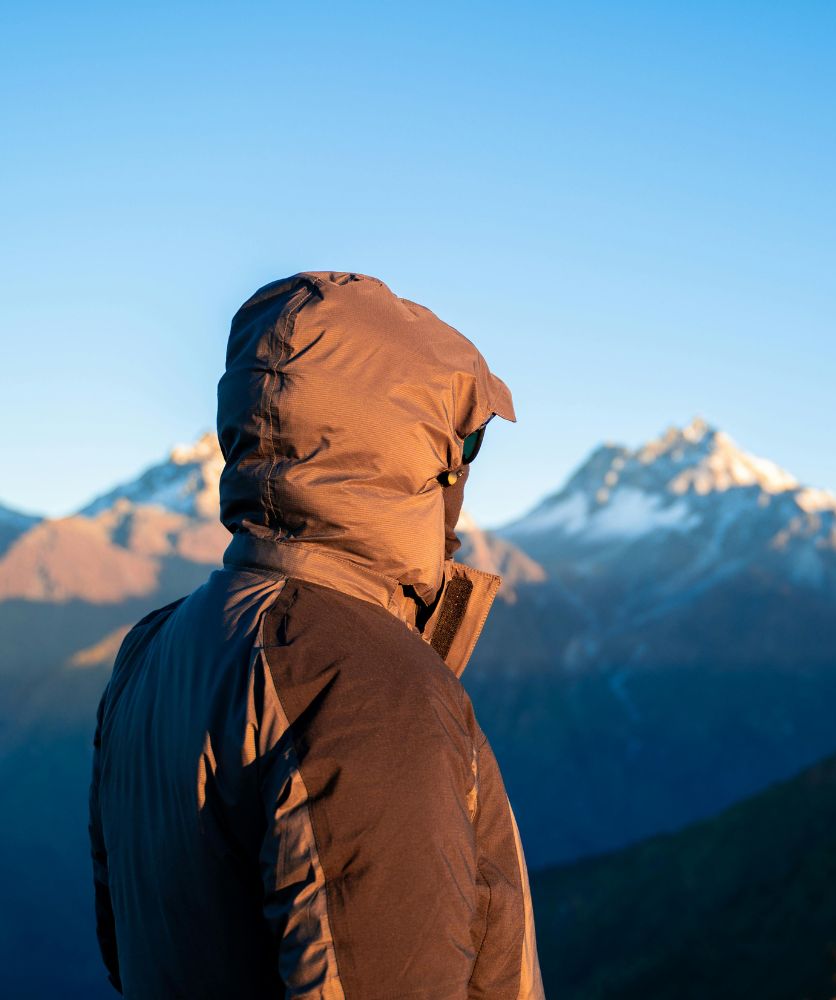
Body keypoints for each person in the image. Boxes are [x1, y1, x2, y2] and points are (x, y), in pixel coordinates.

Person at [87, 271, 546, 999]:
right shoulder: (360, 680)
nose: (463, 471)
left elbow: (126, 946)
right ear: (411, 454)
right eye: (462, 443)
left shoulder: (150, 651)